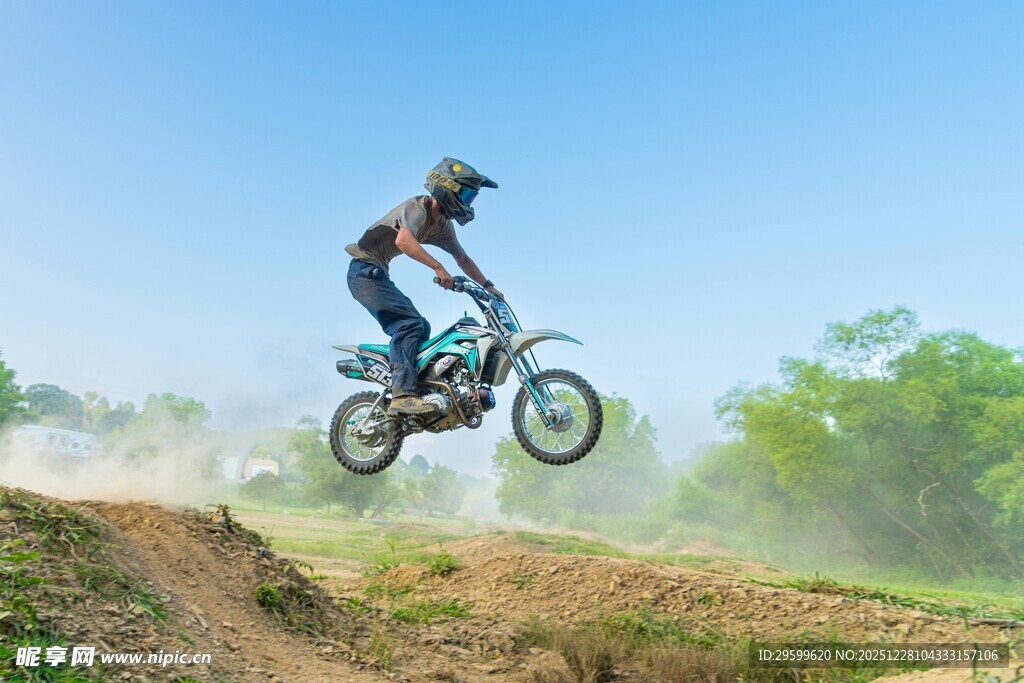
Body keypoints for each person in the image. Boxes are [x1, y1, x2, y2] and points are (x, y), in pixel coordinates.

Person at [345, 158, 503, 416]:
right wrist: (438, 268)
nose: (467, 201)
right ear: (446, 187)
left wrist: (488, 286)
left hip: (376, 273)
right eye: (465, 194)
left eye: (471, 197)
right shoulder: (417, 207)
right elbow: (404, 241)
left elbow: (462, 258)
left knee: (422, 326)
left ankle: (420, 389)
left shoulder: (442, 226)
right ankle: (403, 395)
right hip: (363, 271)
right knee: (408, 324)